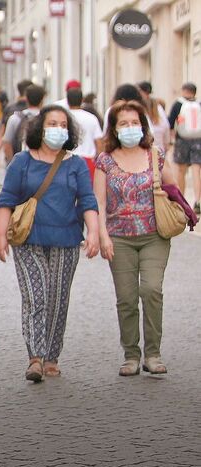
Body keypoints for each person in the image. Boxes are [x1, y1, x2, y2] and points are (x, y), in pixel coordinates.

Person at [0, 105, 99, 382]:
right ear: (41, 128)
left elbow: (88, 200)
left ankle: (52, 357)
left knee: (57, 300)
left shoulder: (75, 164)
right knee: (36, 297)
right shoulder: (22, 162)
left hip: (66, 240)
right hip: (28, 240)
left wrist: (94, 233)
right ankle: (36, 358)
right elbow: (6, 199)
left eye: (63, 125)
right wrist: (0, 235)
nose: (58, 130)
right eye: (52, 124)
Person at [95, 101, 178, 376]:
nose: (129, 128)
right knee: (127, 298)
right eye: (123, 123)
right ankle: (131, 355)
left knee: (152, 291)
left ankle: (153, 354)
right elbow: (100, 202)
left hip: (154, 235)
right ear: (114, 129)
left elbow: (174, 186)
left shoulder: (155, 154)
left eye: (134, 123)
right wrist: (102, 236)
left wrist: (167, 192)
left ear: (142, 125)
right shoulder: (105, 160)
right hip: (119, 237)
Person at [168, 82, 201, 214]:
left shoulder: (178, 104)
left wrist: (171, 139)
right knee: (197, 170)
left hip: (182, 141)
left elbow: (171, 123)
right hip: (199, 140)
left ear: (183, 90)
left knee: (180, 170)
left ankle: (182, 201)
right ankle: (198, 201)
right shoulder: (199, 104)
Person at [0, 84, 45, 164]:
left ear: (26, 98)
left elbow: (7, 144)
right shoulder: (47, 119)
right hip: (43, 164)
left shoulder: (15, 118)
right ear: (42, 100)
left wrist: (13, 163)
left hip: (21, 163)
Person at [67, 87, 102, 179]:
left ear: (67, 101)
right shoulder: (91, 118)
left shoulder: (64, 118)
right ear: (82, 100)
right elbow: (99, 142)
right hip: (88, 162)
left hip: (66, 161)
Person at [137, 81, 169, 154]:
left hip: (144, 151)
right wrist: (166, 144)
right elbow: (166, 126)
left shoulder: (138, 108)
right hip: (159, 149)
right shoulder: (158, 107)